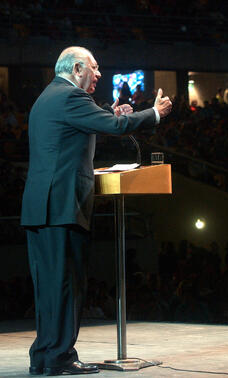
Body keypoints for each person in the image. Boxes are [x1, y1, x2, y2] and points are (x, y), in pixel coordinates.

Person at [20, 46, 172, 376]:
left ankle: (44, 357)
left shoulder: (49, 96)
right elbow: (115, 129)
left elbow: (78, 130)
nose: (99, 74)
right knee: (66, 285)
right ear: (77, 69)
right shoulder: (72, 98)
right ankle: (60, 357)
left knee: (48, 288)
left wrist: (111, 114)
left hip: (40, 207)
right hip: (61, 206)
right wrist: (154, 113)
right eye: (94, 67)